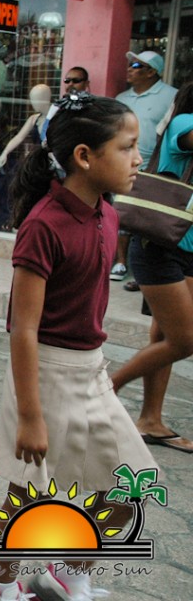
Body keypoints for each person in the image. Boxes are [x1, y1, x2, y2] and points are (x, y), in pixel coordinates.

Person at [0, 94, 154, 601]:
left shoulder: (107, 214)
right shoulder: (44, 224)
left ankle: (70, 570)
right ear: (84, 156)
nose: (139, 159)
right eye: (127, 147)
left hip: (91, 370)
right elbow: (23, 328)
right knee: (30, 492)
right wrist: (30, 416)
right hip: (45, 372)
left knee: (133, 482)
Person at [109, 82, 193, 455]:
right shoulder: (183, 123)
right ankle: (106, 390)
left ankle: (151, 421)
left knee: (164, 338)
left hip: (186, 248)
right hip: (160, 247)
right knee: (185, 340)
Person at [114, 51, 178, 289]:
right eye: (130, 64)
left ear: (152, 72)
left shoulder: (171, 95)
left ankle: (142, 274)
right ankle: (121, 263)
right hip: (121, 165)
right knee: (121, 213)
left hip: (154, 169)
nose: (129, 68)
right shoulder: (122, 98)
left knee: (147, 221)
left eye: (136, 65)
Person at [0, 84, 52, 171]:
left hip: (53, 160)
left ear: (44, 99)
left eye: (35, 100)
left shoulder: (56, 118)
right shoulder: (34, 119)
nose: (32, 103)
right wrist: (5, 153)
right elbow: (19, 137)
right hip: (39, 161)